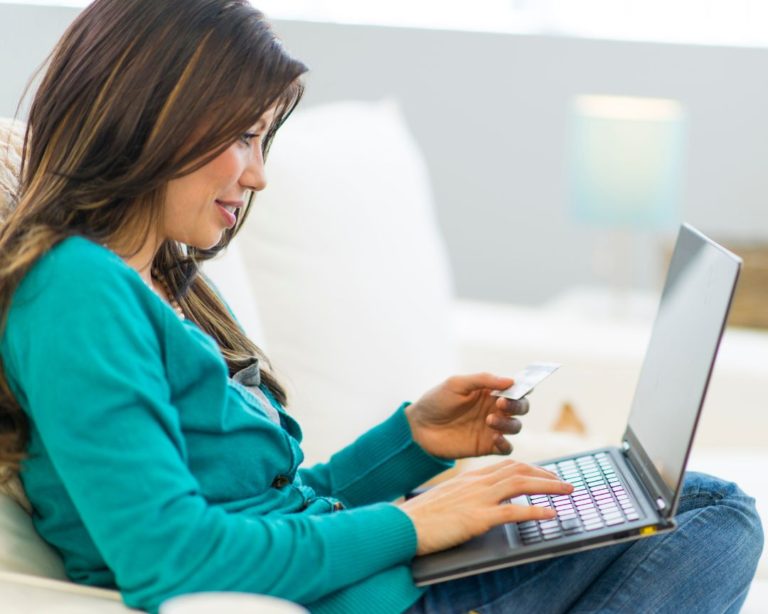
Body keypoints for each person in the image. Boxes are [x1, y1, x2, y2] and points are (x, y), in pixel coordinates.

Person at [0, 1, 762, 613]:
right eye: (242, 136)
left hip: (373, 579)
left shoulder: (169, 281)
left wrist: (414, 441)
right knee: (720, 520)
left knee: (682, 499)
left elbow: (282, 503)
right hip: (377, 598)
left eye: (263, 140)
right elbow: (173, 561)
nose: (258, 175)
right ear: (152, 112)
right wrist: (419, 521)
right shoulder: (75, 291)